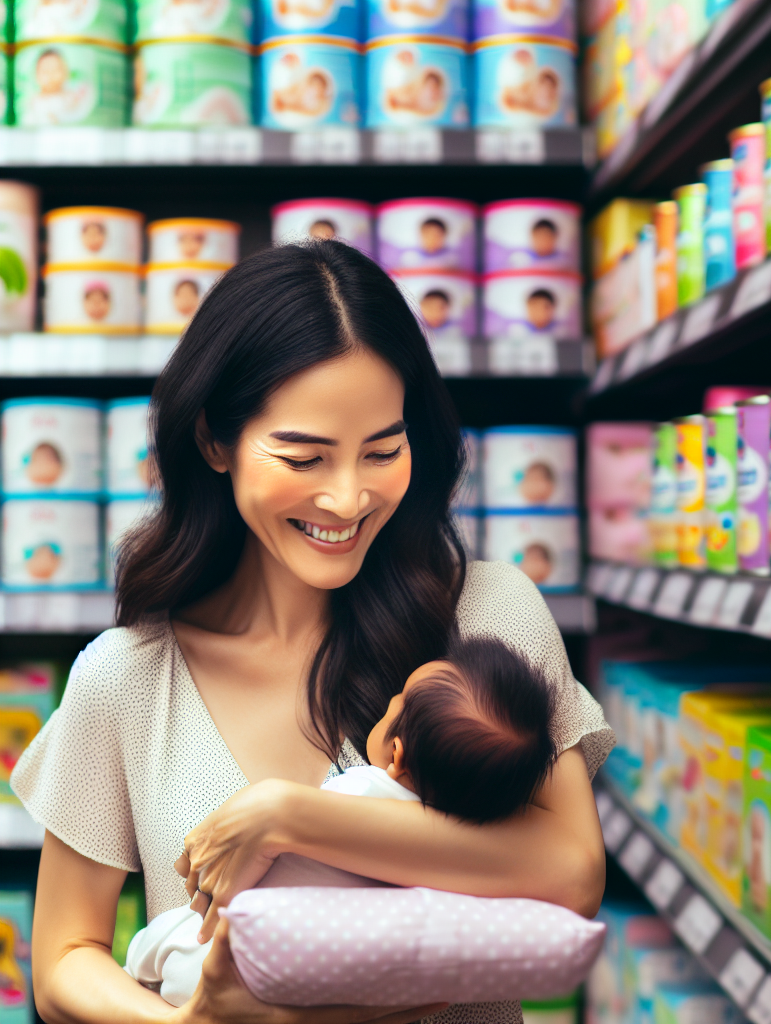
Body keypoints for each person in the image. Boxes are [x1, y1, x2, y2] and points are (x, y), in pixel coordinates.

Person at [12, 239, 611, 1024]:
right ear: (214, 441)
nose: (348, 497)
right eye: (304, 455)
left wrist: (291, 817)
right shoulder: (128, 677)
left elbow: (569, 873)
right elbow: (61, 960)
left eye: (383, 450)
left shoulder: (489, 617)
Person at [126, 632, 556, 1007]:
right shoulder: (455, 858)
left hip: (222, 962)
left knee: (172, 931)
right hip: (317, 978)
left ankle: (139, 961)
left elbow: (255, 867)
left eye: (397, 702)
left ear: (397, 754)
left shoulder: (363, 794)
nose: (388, 702)